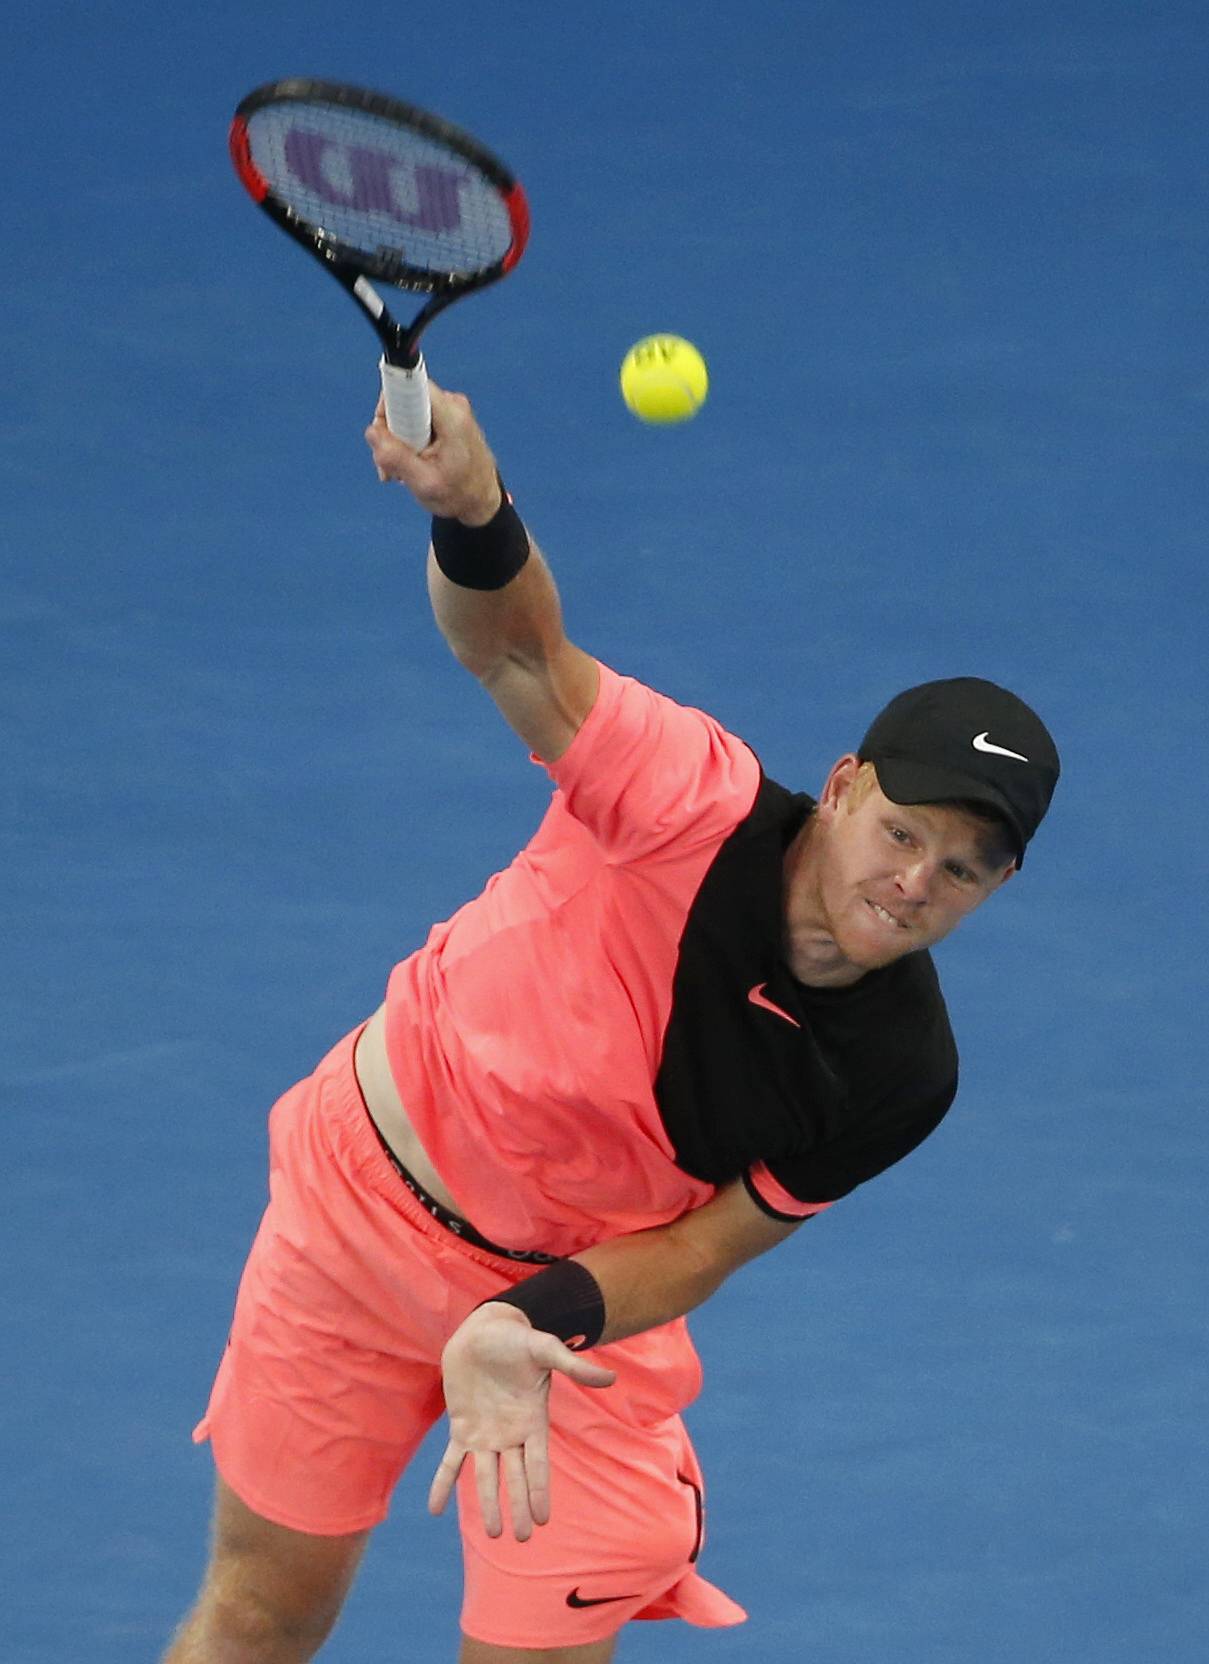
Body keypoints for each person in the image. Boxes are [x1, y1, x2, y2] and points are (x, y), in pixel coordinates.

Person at [163, 384, 1060, 1664]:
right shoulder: (689, 798)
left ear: (999, 888)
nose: (915, 880)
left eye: (963, 869)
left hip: (574, 1310)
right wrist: (474, 511)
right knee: (257, 1620)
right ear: (847, 787)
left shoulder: (902, 1073)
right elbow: (521, 654)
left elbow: (699, 1253)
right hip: (360, 1208)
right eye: (903, 832)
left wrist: (530, 1319)